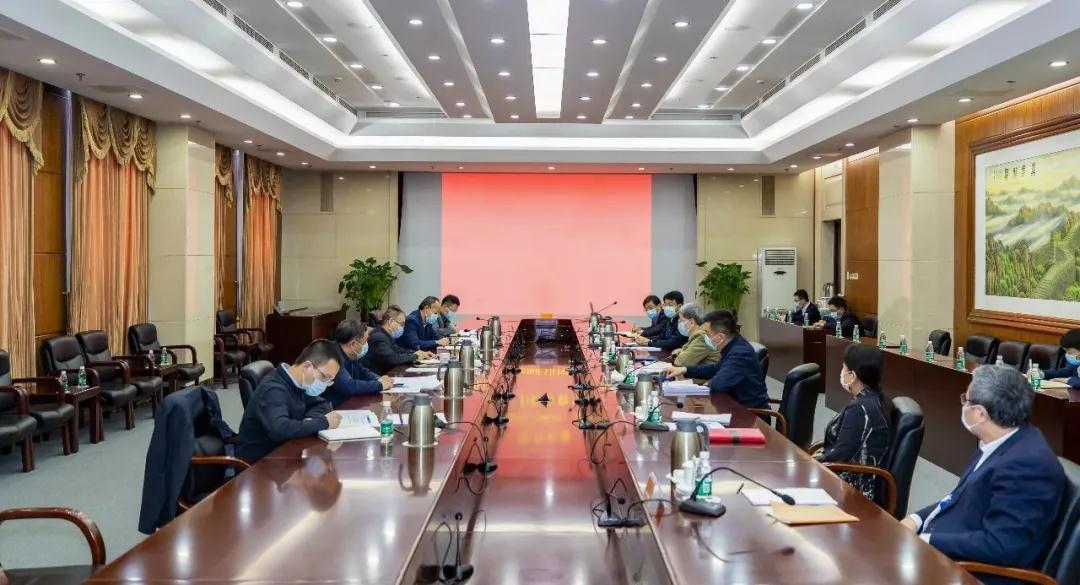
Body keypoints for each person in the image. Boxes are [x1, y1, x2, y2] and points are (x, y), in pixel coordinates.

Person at [900, 366, 1066, 585]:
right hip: (947, 555)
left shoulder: (1028, 466)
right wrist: (915, 519)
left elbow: (1001, 546)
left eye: (965, 400)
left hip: (972, 573)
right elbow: (956, 498)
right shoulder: (999, 441)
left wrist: (926, 540)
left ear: (980, 413)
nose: (962, 405)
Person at [236, 339, 343, 463]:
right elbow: (280, 430)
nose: (325, 384)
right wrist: (323, 422)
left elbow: (321, 404)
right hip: (258, 464)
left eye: (329, 380)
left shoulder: (299, 383)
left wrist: (308, 422)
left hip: (283, 454)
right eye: (324, 377)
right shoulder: (273, 389)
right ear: (307, 366)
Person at [814, 344, 891, 501]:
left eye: (844, 368)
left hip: (851, 490)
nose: (841, 372)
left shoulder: (860, 409)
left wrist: (807, 462)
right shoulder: (873, 398)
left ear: (852, 376)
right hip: (852, 478)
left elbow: (838, 457)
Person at [663, 310, 769, 409]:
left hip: (750, 414)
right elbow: (715, 369)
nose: (705, 336)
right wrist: (684, 369)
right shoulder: (733, 345)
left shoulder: (740, 353)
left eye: (707, 333)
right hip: (732, 406)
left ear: (720, 337)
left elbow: (718, 385)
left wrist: (702, 386)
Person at [322, 319, 392, 408]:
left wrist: (378, 378)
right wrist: (379, 385)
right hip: (332, 408)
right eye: (365, 341)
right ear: (353, 344)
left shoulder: (350, 353)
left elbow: (361, 370)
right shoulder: (332, 357)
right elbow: (348, 386)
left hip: (346, 403)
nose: (367, 344)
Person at [361, 306, 434, 375]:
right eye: (401, 324)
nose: (402, 328)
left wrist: (417, 353)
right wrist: (415, 356)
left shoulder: (385, 335)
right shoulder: (378, 337)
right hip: (376, 377)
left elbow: (398, 350)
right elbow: (392, 358)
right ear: (390, 321)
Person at [671, 303, 720, 368]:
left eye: (682, 320)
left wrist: (681, 353)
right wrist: (682, 352)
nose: (679, 322)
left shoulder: (702, 336)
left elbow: (680, 362)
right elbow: (682, 350)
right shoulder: (697, 333)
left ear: (692, 322)